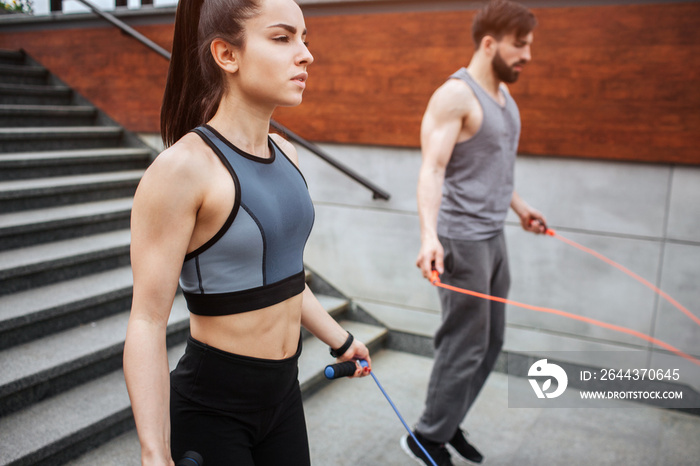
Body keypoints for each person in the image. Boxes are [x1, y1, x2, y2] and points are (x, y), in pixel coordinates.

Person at [123, 1, 372, 465]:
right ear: (226, 55)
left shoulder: (287, 153)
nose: (305, 55)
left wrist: (340, 339)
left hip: (283, 397)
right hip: (211, 409)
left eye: (304, 39)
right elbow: (146, 321)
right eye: (282, 38)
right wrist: (153, 450)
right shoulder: (181, 170)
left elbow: (284, 282)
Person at [403, 1, 545, 465]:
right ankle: (426, 436)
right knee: (464, 345)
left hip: (494, 235)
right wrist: (429, 237)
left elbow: (492, 170)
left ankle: (444, 423)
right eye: (519, 46)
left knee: (491, 342)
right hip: (461, 239)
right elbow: (433, 169)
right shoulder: (454, 97)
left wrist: (521, 210)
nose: (527, 55)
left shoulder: (504, 97)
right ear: (490, 43)